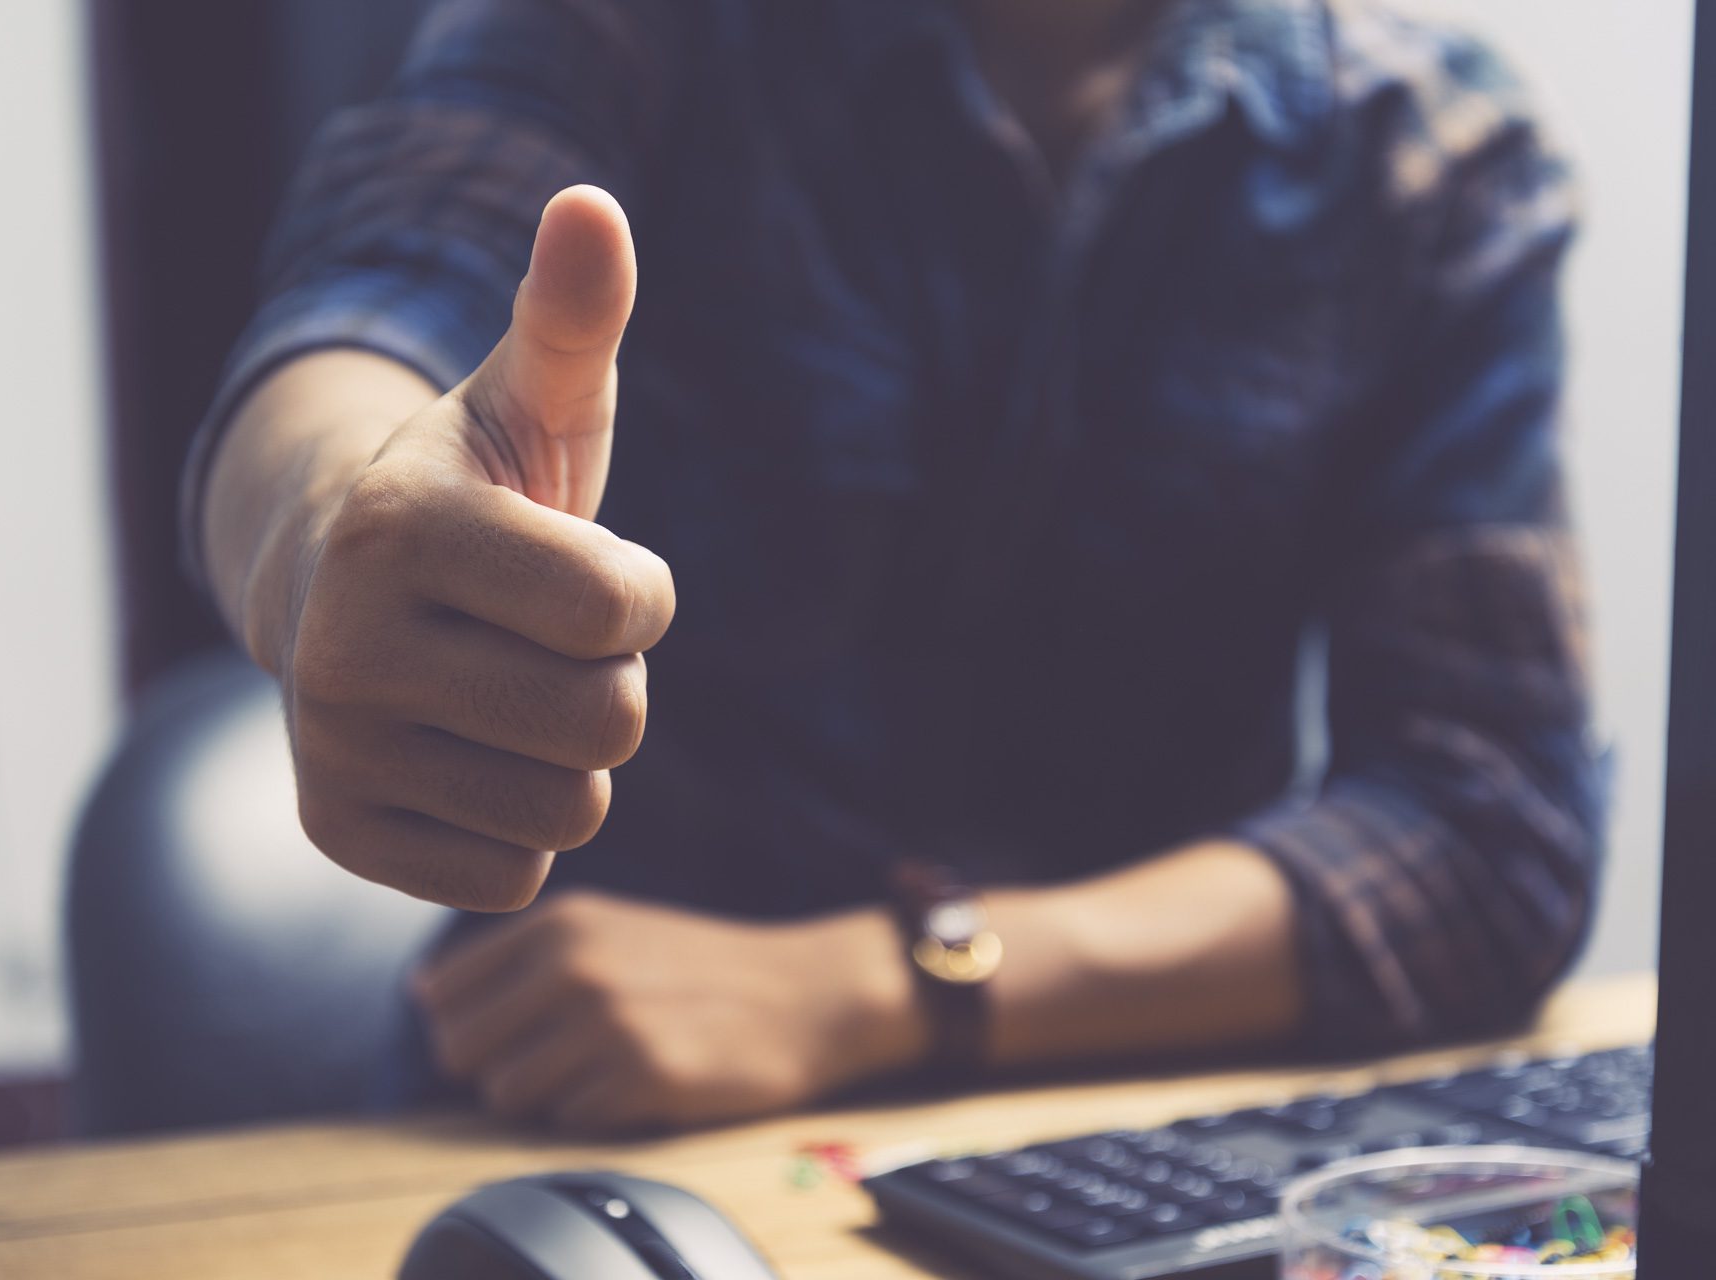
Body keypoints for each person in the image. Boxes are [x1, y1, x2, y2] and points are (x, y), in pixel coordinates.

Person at [187, 0, 1602, 1135]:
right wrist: (332, 538)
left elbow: (1487, 827)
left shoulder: (1427, 152)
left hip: (1136, 1133)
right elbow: (370, 298)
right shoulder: (632, 31)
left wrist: (869, 985)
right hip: (590, 1130)